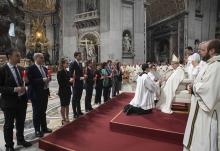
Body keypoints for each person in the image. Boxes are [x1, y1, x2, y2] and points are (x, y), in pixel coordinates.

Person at [183, 39, 220, 151]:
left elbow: (210, 90)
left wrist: (193, 86)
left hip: (207, 111)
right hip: (198, 106)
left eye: (203, 50)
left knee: (204, 137)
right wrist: (194, 85)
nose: (199, 52)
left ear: (212, 51)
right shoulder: (209, 64)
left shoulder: (217, 66)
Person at [0, 48, 32, 151]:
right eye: (17, 55)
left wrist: (27, 82)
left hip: (21, 100)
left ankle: (20, 139)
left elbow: (26, 82)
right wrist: (14, 89)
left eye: (19, 55)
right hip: (9, 102)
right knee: (9, 125)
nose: (19, 57)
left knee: (21, 122)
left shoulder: (21, 69)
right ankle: (9, 145)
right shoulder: (2, 69)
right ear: (9, 56)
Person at [27, 53, 52, 137]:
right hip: (36, 94)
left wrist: (49, 79)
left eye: (43, 58)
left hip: (44, 92)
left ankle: (44, 127)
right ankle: (37, 130)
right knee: (36, 112)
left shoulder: (44, 68)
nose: (43, 59)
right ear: (36, 58)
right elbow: (30, 82)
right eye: (41, 58)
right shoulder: (31, 68)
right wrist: (42, 80)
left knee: (43, 111)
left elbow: (47, 79)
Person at [57, 58, 74, 125]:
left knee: (67, 104)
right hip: (62, 91)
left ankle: (67, 116)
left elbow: (69, 82)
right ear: (63, 64)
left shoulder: (67, 72)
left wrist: (71, 81)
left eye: (68, 63)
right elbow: (60, 83)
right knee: (63, 105)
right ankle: (63, 118)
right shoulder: (60, 72)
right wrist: (69, 81)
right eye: (67, 63)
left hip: (68, 90)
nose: (68, 64)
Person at [69, 52, 85, 118]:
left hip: (80, 83)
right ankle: (74, 113)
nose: (80, 56)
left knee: (79, 97)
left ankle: (79, 111)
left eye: (80, 55)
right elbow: (71, 74)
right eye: (79, 56)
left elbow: (81, 73)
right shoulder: (73, 63)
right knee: (75, 98)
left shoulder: (80, 63)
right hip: (75, 83)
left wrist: (83, 76)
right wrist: (80, 78)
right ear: (75, 56)